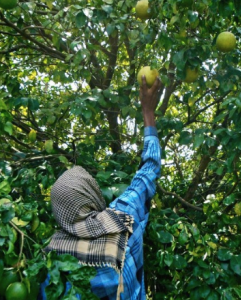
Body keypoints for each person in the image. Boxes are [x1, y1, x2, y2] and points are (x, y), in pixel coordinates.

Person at [39, 75, 162, 300]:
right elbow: (149, 169)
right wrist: (148, 112)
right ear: (93, 194)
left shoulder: (50, 259)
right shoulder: (123, 217)